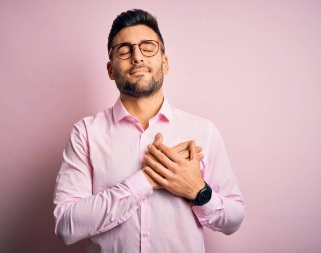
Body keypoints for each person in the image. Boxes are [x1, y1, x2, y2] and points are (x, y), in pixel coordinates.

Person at [53, 9, 245, 253]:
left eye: (148, 47)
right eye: (124, 50)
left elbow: (234, 219)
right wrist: (147, 179)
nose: (137, 57)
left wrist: (199, 191)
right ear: (110, 69)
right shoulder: (86, 133)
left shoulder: (203, 131)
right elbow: (67, 226)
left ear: (165, 63)